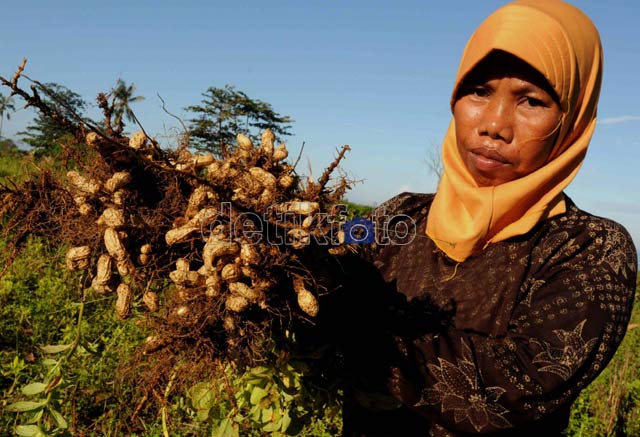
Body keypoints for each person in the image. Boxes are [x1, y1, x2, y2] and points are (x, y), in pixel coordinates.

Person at [326, 0, 638, 435]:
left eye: (531, 100)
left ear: (572, 119)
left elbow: (511, 387)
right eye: (479, 91)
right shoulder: (399, 214)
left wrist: (358, 336)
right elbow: (326, 260)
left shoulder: (590, 249)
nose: (494, 124)